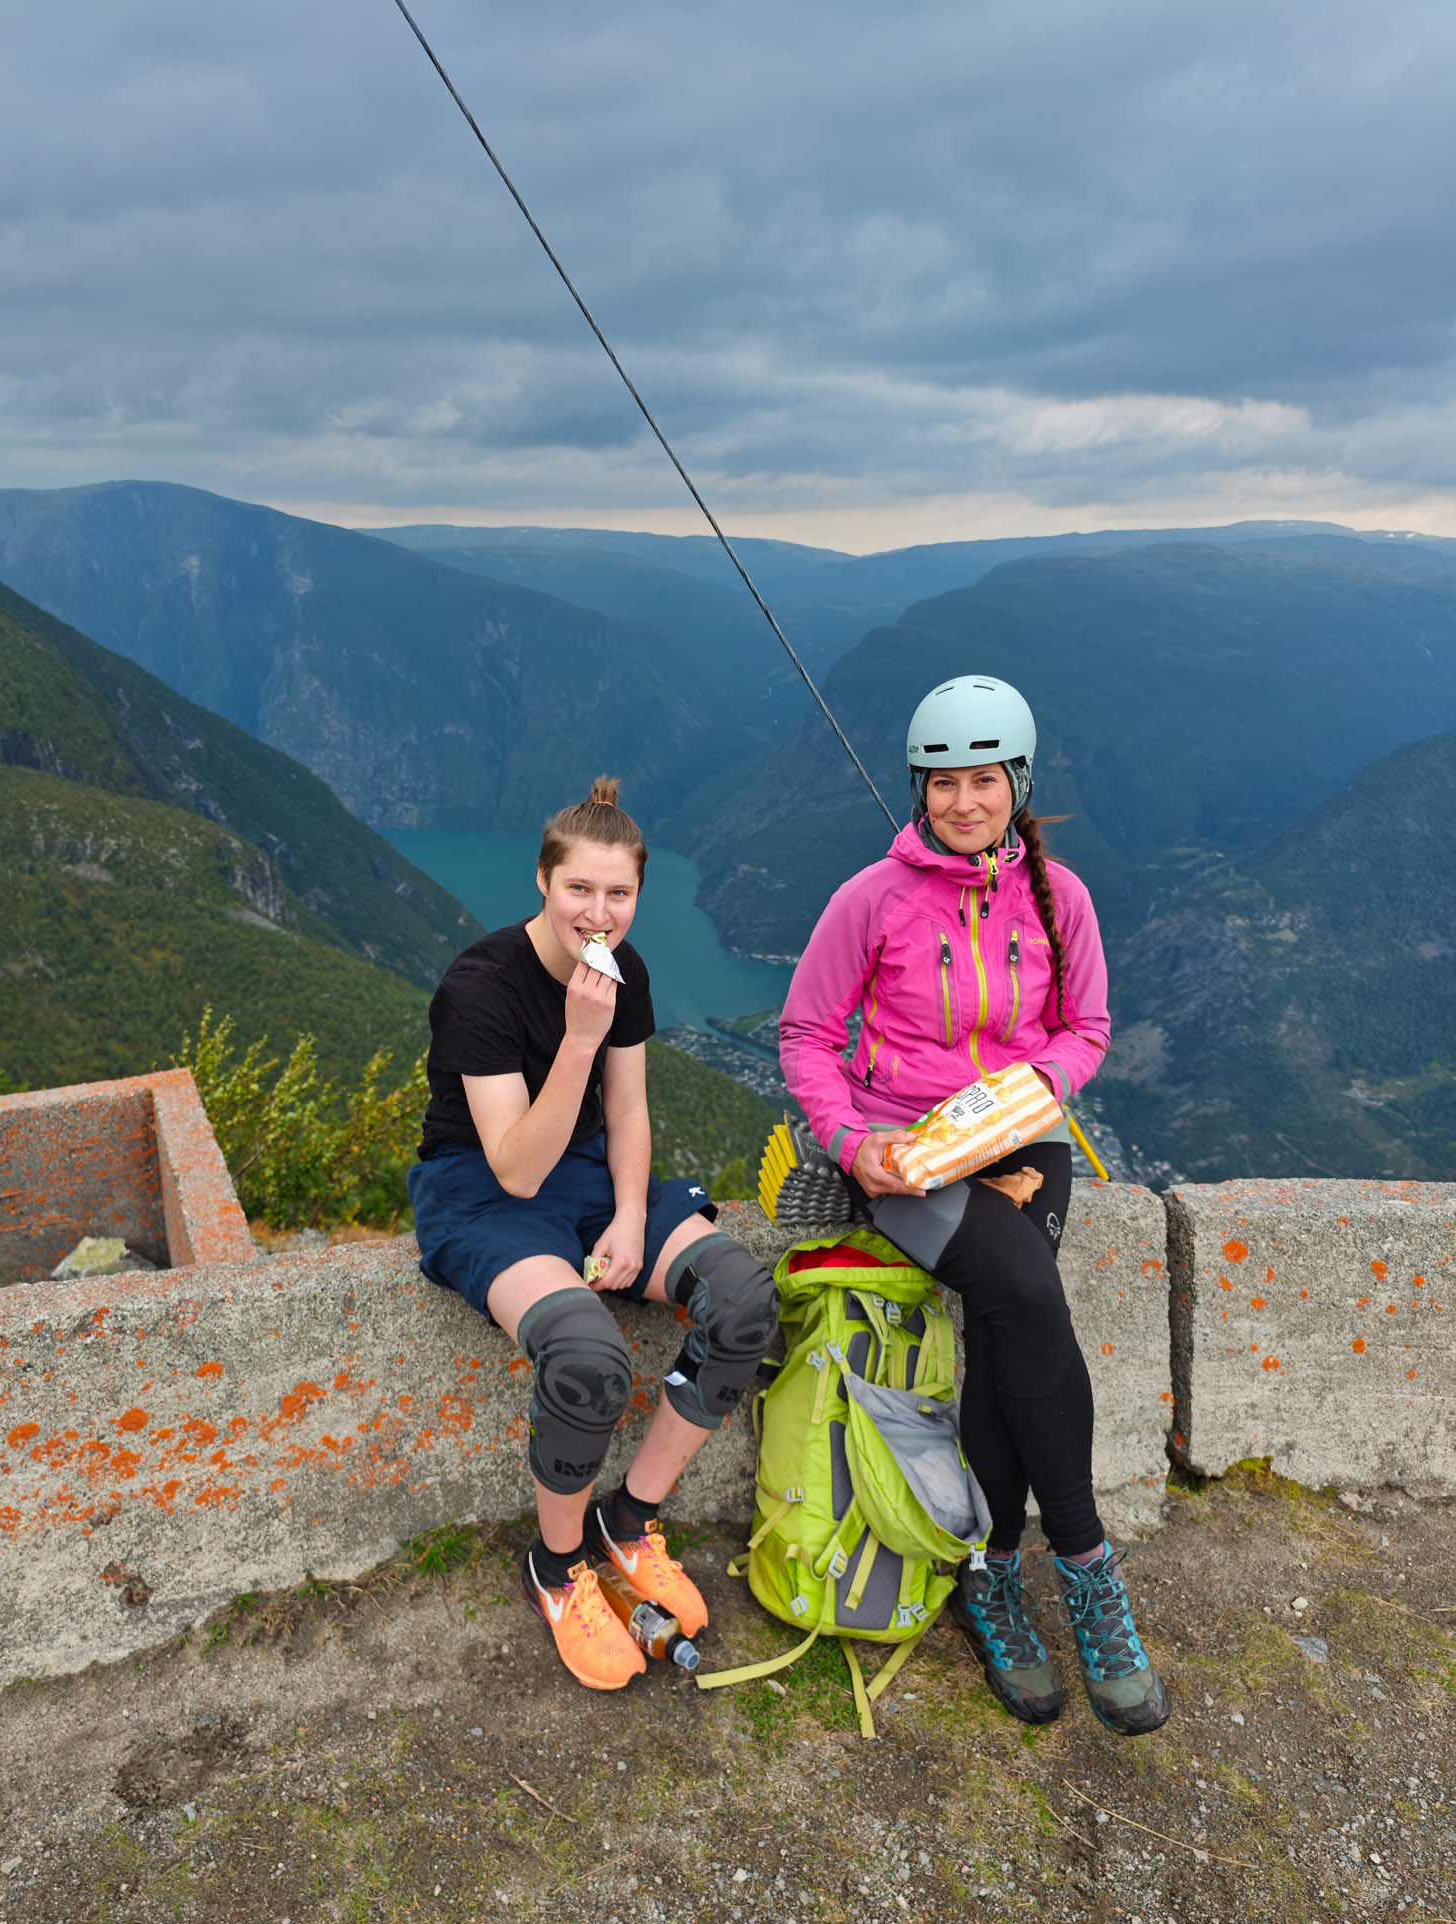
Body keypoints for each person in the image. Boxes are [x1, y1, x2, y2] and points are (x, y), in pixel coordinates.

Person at [778, 677, 1168, 1736]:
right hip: (906, 1153)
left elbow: (1086, 1026)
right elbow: (806, 1033)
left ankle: (993, 1574)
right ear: (920, 788)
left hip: (1023, 1138)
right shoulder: (871, 898)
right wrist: (854, 1144)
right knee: (1028, 1296)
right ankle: (1087, 1567)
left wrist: (1035, 1089)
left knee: (1007, 1328)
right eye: (943, 783)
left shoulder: (1059, 896)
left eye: (983, 781)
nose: (963, 802)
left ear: (1017, 785)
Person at [408, 778, 780, 1692]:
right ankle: (558, 1566)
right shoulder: (480, 986)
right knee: (587, 1359)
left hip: (584, 1177)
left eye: (619, 894)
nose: (599, 914)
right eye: (579, 889)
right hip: (482, 1189)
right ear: (542, 880)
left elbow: (629, 1111)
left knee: (741, 1302)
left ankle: (630, 1518)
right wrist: (579, 1037)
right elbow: (514, 1168)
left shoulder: (626, 970)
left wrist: (628, 1216)